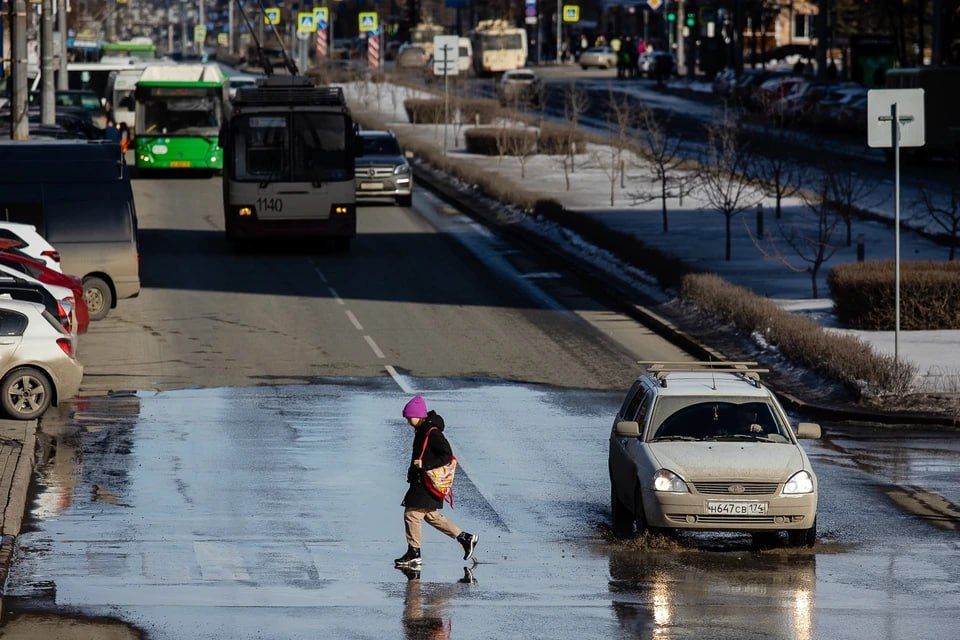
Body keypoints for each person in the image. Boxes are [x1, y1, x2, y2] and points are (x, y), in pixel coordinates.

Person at [394, 395, 479, 568]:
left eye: (409, 417)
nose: (408, 421)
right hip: (422, 481)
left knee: (412, 514)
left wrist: (425, 465)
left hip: (428, 482)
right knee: (431, 516)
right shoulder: (422, 430)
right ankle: (465, 538)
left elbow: (447, 455)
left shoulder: (432, 432)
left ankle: (414, 553)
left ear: (419, 415)